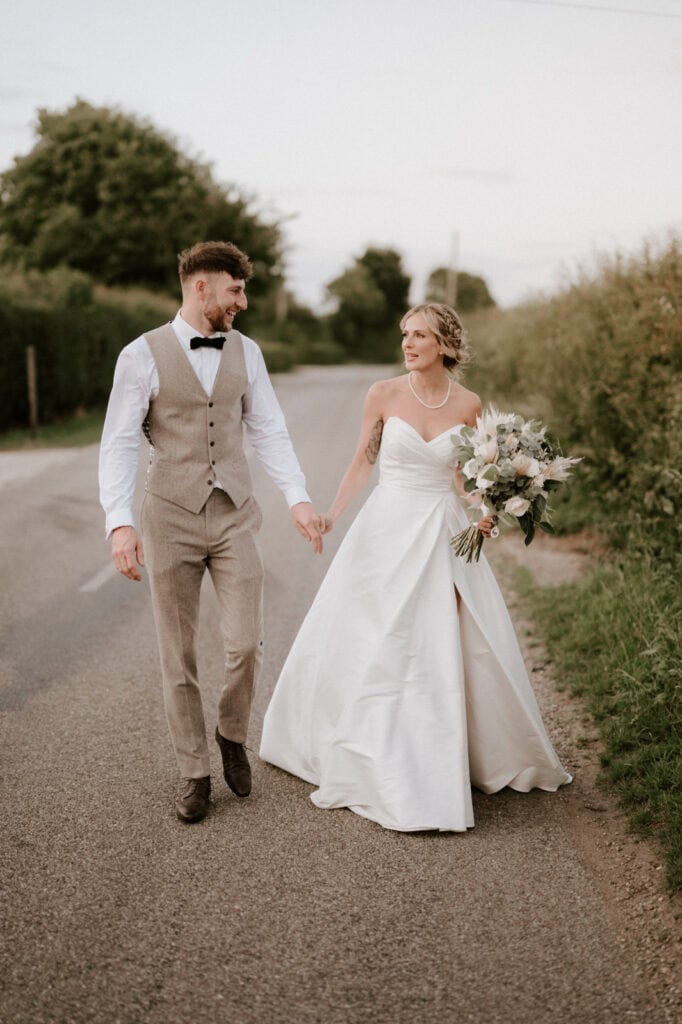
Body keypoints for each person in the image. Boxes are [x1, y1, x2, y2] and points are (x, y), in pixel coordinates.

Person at [260, 302, 571, 832]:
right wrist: (332, 514)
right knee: (376, 632)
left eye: (419, 336)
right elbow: (365, 459)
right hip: (385, 529)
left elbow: (464, 476)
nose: (408, 343)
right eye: (405, 333)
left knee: (434, 638)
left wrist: (485, 511)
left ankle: (435, 753)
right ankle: (368, 745)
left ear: (444, 346)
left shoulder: (470, 405)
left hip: (441, 529)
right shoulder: (382, 394)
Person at [99, 240, 322, 824]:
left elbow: (269, 429)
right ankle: (195, 771)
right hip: (168, 516)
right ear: (201, 286)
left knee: (245, 643)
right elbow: (120, 442)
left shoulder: (247, 353)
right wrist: (120, 523)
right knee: (178, 655)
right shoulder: (140, 355)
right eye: (235, 289)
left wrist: (297, 498)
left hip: (234, 514)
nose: (242, 302)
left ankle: (230, 732)